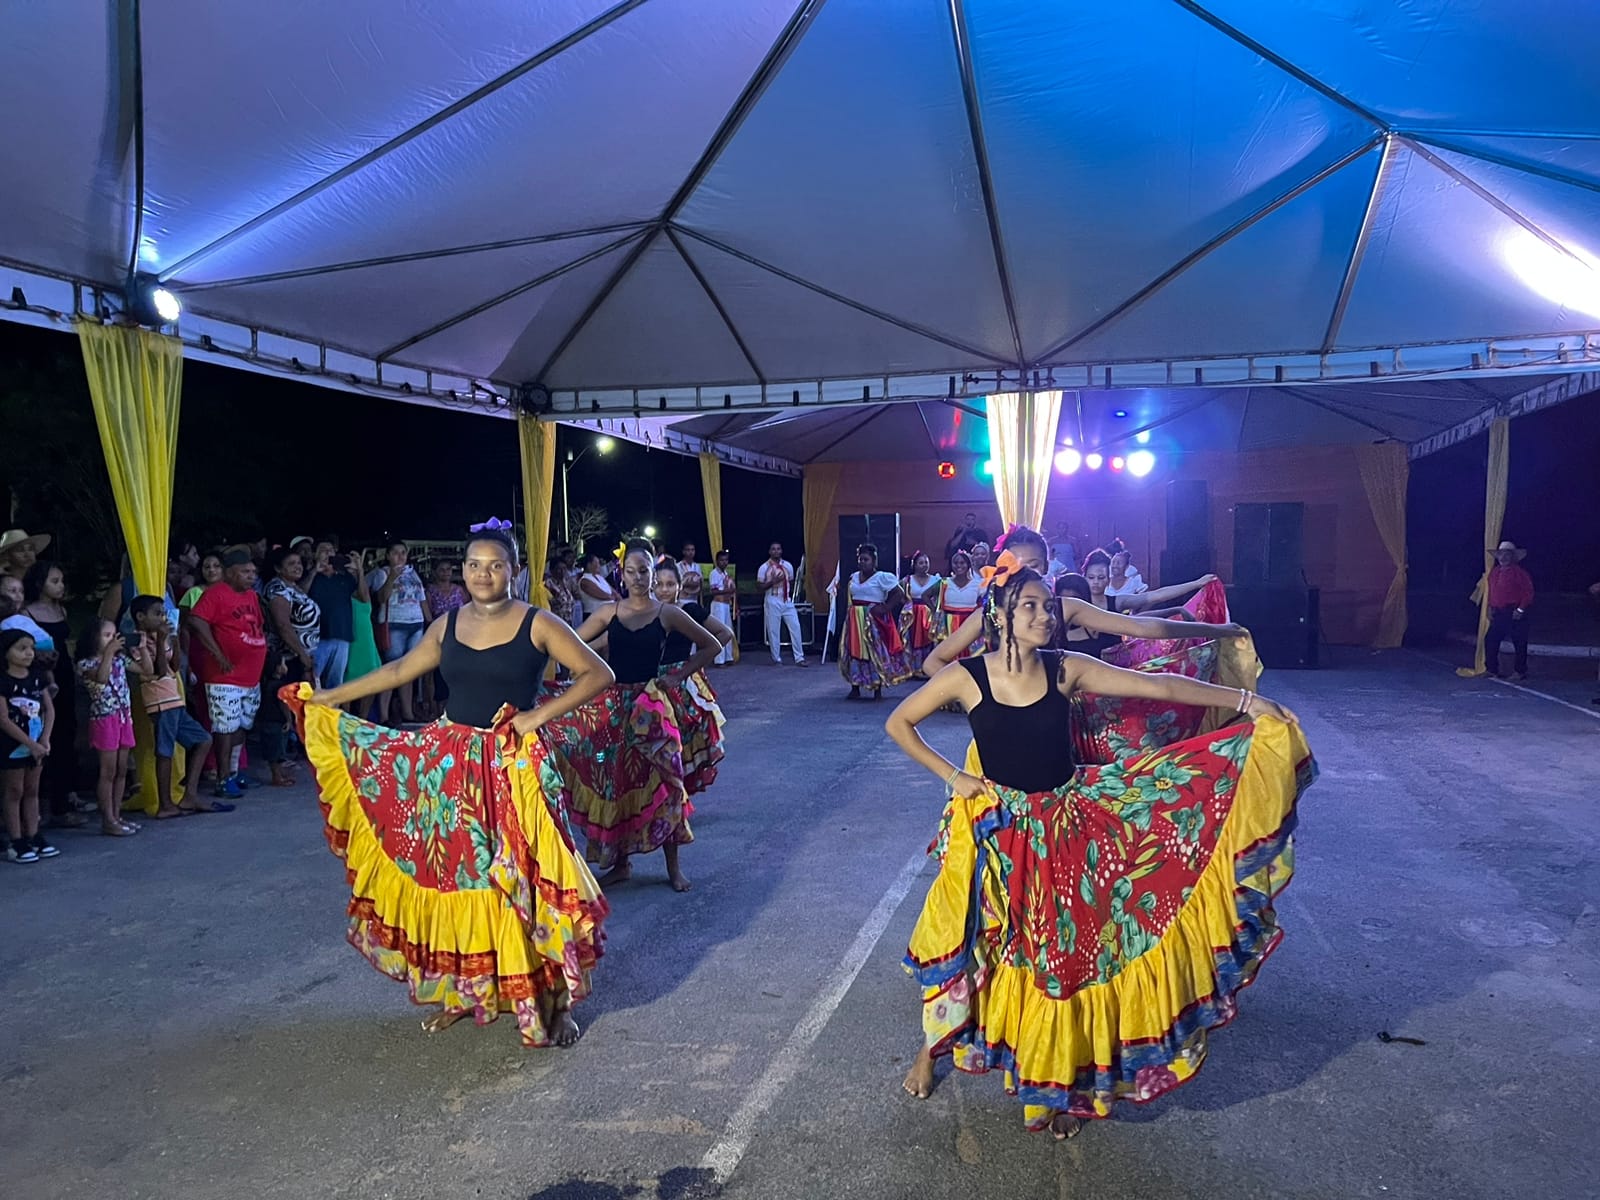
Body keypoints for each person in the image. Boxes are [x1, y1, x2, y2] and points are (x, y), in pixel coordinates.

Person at [886, 564, 1314, 1137]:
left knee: (1064, 961)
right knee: (971, 939)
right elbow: (900, 723)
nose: (1045, 615)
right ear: (1000, 615)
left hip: (1066, 828)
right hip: (997, 833)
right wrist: (954, 776)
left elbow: (1159, 687)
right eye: (1030, 606)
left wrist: (1245, 700)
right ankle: (930, 1049)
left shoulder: (1066, 668)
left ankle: (1062, 1086)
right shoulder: (966, 676)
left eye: (1048, 606)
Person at [288, 523, 615, 1047]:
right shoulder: (448, 624)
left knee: (531, 878)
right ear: (463, 571)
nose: (484, 574)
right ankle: (470, 992)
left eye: (496, 565)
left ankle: (557, 1001)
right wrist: (329, 698)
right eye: (474, 565)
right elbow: (399, 670)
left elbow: (597, 674)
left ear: (513, 571)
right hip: (452, 765)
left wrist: (536, 717)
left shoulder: (539, 622)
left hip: (514, 768)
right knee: (462, 878)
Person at [557, 540, 721, 892]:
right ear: (622, 573)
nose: (637, 577)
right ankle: (621, 865)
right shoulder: (608, 613)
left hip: (652, 708)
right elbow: (568, 643)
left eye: (643, 571)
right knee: (616, 783)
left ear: (652, 572)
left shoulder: (667, 613)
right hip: (613, 708)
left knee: (666, 782)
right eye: (630, 571)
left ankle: (673, 868)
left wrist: (679, 675)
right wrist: (585, 672)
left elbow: (713, 644)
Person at [924, 528, 1243, 675]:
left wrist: (1217, 630)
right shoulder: (989, 614)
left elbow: (1143, 627)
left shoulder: (1066, 608)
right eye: (1014, 566)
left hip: (1060, 709)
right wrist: (976, 692)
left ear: (1046, 568)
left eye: (1033, 565)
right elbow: (934, 662)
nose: (1024, 574)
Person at [183, 547, 268, 799]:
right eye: (245, 572)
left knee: (242, 724)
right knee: (224, 727)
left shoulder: (251, 595)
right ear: (230, 573)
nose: (251, 576)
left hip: (250, 675)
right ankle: (222, 778)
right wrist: (218, 653)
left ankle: (233, 771)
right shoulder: (216, 593)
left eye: (253, 572)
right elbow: (195, 620)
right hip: (224, 677)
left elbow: (257, 626)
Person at [127, 595, 222, 816]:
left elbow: (175, 666)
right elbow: (159, 671)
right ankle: (165, 804)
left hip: (174, 698)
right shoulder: (138, 642)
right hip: (159, 701)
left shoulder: (160, 636)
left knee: (203, 740)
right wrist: (162, 641)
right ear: (140, 617)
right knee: (165, 750)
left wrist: (175, 640)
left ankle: (189, 795)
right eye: (157, 614)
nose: (162, 618)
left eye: (163, 613)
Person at [14, 562, 82, 827]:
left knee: (65, 733)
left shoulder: (60, 609)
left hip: (63, 671)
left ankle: (62, 799)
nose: (60, 586)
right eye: (54, 581)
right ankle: (41, 803)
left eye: (61, 581)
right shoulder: (28, 612)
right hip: (41, 674)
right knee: (44, 733)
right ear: (40, 583)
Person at [655, 560, 731, 795]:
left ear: (680, 586)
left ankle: (677, 797)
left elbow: (724, 634)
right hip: (650, 684)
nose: (664, 590)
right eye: (659, 584)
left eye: (670, 584)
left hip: (679, 683)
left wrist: (690, 666)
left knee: (680, 743)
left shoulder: (689, 610)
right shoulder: (645, 611)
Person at [261, 545, 321, 787]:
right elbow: (283, 626)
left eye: (299, 563)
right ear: (278, 568)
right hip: (285, 659)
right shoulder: (277, 589)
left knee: (296, 707)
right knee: (279, 711)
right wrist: (302, 655)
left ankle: (285, 757)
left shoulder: (292, 587)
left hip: (299, 657)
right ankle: (276, 768)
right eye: (291, 564)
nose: (297, 567)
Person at [76, 619, 139, 837]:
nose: (112, 639)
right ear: (94, 638)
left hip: (124, 716)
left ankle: (117, 814)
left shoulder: (120, 659)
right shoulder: (85, 664)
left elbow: (146, 670)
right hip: (104, 719)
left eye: (114, 635)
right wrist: (109, 654)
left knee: (122, 769)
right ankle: (108, 819)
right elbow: (101, 679)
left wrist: (142, 648)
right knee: (108, 772)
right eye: (107, 636)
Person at [0, 629, 58, 863]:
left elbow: (48, 709)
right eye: (21, 648)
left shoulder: (37, 677)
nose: (28, 653)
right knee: (14, 790)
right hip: (13, 744)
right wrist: (30, 744)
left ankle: (34, 834)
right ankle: (16, 840)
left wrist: (45, 738)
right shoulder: (4, 681)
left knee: (32, 789)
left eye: (31, 648)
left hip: (37, 744)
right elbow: (3, 719)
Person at [368, 540, 432, 725]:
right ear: (388, 555)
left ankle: (407, 713)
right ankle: (384, 715)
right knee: (391, 668)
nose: (400, 556)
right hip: (394, 624)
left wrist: (430, 621)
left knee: (408, 671)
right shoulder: (382, 573)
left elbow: (421, 599)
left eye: (403, 552)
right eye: (395, 552)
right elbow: (381, 598)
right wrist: (391, 577)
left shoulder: (412, 572)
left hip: (415, 623)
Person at [841, 543, 910, 700]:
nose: (862, 562)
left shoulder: (882, 577)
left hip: (873, 619)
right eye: (860, 559)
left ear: (873, 561)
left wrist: (886, 607)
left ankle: (877, 688)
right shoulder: (854, 577)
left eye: (866, 559)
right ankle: (855, 687)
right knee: (854, 651)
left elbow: (898, 593)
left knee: (874, 651)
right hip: (855, 618)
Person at [308, 539, 368, 691]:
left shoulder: (344, 577)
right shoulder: (310, 575)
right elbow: (300, 593)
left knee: (336, 684)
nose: (328, 553)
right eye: (323, 550)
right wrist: (315, 570)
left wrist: (360, 571)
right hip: (316, 639)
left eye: (331, 550)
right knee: (312, 681)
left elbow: (364, 598)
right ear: (315, 554)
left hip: (342, 636)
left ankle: (332, 707)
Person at [1485, 540, 1533, 681]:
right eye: (1501, 554)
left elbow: (1528, 592)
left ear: (1512, 557)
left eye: (1507, 554)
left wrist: (1520, 609)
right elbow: (1492, 592)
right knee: (1491, 639)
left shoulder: (1520, 573)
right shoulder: (1494, 572)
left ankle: (1520, 671)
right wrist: (1490, 607)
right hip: (1499, 612)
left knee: (1519, 642)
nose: (1503, 557)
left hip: (1513, 611)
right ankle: (1492, 669)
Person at [758, 542, 807, 666]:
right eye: (773, 549)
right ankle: (776, 658)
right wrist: (773, 582)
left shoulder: (787, 566)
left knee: (795, 627)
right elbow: (759, 587)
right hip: (772, 599)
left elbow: (791, 581)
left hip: (786, 599)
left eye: (778, 549)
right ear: (770, 552)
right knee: (774, 630)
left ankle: (799, 657)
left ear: (781, 551)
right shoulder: (764, 567)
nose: (776, 551)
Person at [932, 551, 982, 664]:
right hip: (949, 623)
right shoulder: (945, 582)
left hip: (969, 623)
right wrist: (935, 610)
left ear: (968, 565)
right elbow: (926, 595)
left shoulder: (978, 584)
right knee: (949, 654)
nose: (959, 565)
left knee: (969, 654)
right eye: (955, 563)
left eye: (962, 563)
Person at [900, 551, 942, 675]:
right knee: (912, 640)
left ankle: (928, 668)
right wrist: (907, 605)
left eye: (926, 562)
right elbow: (899, 595)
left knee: (929, 640)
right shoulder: (907, 580)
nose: (924, 565)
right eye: (921, 563)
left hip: (929, 613)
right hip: (912, 615)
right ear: (914, 565)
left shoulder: (936, 579)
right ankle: (913, 668)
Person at [707, 550, 737, 666]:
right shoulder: (714, 573)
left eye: (726, 560)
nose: (724, 562)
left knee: (728, 631)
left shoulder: (725, 574)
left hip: (725, 604)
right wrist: (728, 590)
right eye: (722, 560)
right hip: (718, 605)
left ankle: (728, 657)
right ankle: (719, 659)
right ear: (717, 561)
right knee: (720, 631)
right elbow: (713, 591)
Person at [578, 550, 617, 620]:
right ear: (589, 565)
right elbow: (603, 595)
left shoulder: (600, 577)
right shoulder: (584, 580)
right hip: (594, 615)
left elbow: (614, 592)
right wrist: (612, 597)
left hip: (608, 613)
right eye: (597, 563)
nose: (599, 566)